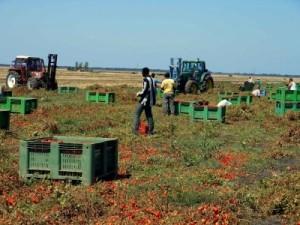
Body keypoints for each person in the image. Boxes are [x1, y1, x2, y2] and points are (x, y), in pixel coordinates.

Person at [132, 67, 156, 135]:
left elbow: (145, 90)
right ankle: (150, 131)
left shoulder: (146, 79)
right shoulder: (152, 79)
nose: (142, 73)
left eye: (142, 72)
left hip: (145, 100)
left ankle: (135, 130)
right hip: (150, 100)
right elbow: (154, 90)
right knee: (149, 115)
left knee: (136, 114)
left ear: (144, 73)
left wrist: (138, 94)